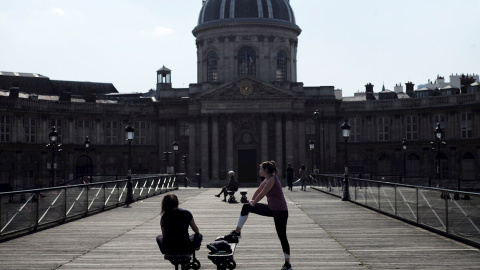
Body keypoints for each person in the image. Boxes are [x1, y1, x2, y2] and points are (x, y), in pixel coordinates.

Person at [225, 161, 292, 270]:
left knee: (282, 237)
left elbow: (263, 193)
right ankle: (237, 232)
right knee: (246, 207)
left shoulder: (272, 179)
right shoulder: (267, 179)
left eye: (261, 169)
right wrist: (251, 200)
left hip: (280, 211)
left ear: (266, 170)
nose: (259, 171)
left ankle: (287, 263)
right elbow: (258, 191)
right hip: (272, 209)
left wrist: (254, 202)